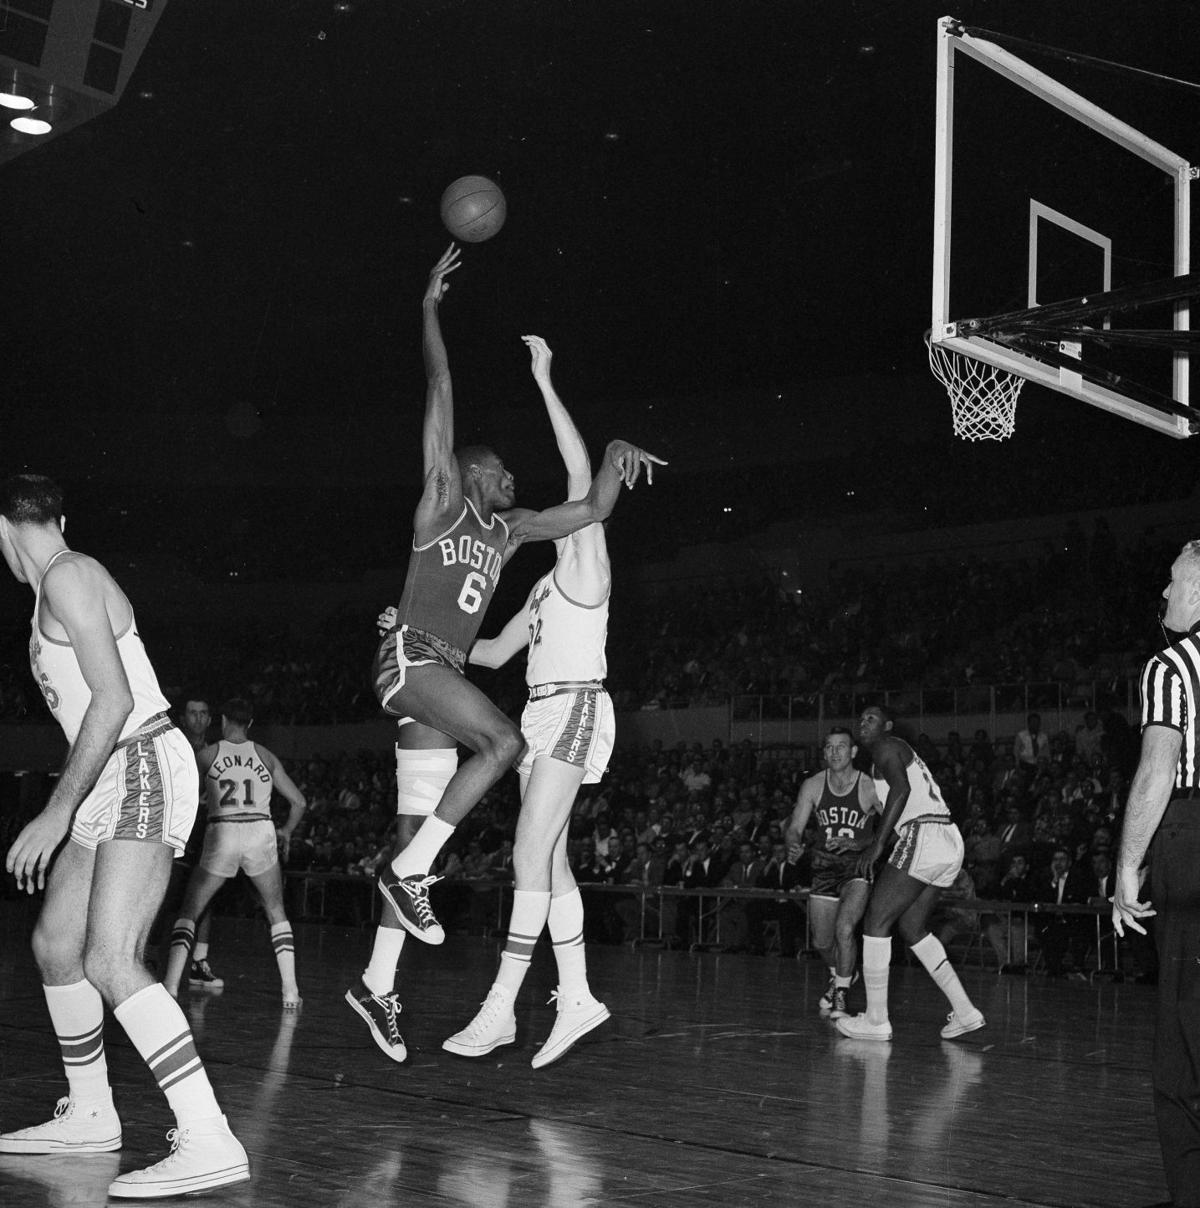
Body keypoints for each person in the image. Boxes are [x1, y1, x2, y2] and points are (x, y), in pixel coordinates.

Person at [344, 245, 661, 1062]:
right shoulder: (445, 499)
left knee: (424, 817)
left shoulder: (512, 534)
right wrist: (428, 310)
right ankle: (410, 877)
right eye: (502, 470)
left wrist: (620, 448)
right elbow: (441, 392)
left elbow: (589, 502)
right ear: (470, 473)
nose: (513, 475)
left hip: (445, 672)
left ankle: (377, 984)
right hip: (413, 664)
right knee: (505, 744)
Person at [0, 474, 248, 1198]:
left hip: (137, 757)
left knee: (111, 957)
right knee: (55, 945)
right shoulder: (58, 581)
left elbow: (110, 700)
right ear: (59, 516)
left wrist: (54, 811)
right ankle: (89, 1113)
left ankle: (210, 1138)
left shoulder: (71, 575)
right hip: (112, 770)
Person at [441, 333, 652, 1067]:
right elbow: (493, 654)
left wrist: (544, 378)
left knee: (528, 856)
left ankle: (500, 1009)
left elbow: (580, 469)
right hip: (537, 715)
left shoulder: (587, 555)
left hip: (577, 706)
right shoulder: (539, 586)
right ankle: (579, 998)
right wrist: (417, 630)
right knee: (550, 863)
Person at [1112, 539, 1200, 1208]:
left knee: (1182, 1039)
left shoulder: (1172, 665)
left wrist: (1126, 867)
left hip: (1192, 841)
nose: (1164, 597)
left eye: (1172, 584)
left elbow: (1157, 769)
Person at [835, 705, 985, 1043]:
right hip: (946, 840)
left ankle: (875, 1020)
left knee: (875, 920)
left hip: (926, 835)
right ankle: (965, 1011)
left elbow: (900, 793)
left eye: (871, 718)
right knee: (912, 927)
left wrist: (876, 847)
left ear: (887, 725)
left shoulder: (888, 746)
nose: (863, 722)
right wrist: (864, 841)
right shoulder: (885, 759)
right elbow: (899, 803)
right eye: (860, 718)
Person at [161, 698, 307, 1008]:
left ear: (224, 720)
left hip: (223, 830)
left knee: (190, 910)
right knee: (275, 911)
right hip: (260, 829)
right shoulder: (265, 756)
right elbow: (299, 803)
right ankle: (291, 991)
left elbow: (178, 794)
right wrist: (287, 832)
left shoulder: (208, 754)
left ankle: (171, 985)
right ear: (251, 723)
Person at [786, 727, 881, 1017]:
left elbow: (890, 831)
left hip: (857, 867)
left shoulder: (868, 786)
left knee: (845, 930)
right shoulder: (813, 785)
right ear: (824, 752)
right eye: (829, 747)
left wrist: (859, 842)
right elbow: (794, 827)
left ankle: (841, 993)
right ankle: (843, 974)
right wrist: (793, 845)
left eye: (842, 747)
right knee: (822, 942)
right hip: (824, 866)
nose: (835, 752)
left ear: (853, 752)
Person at [151, 696, 222, 989]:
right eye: (193, 713)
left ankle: (198, 962)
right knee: (165, 896)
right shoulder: (173, 746)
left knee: (205, 897)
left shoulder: (217, 751)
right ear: (183, 718)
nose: (198, 719)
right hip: (177, 827)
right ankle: (148, 956)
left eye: (204, 713)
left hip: (207, 830)